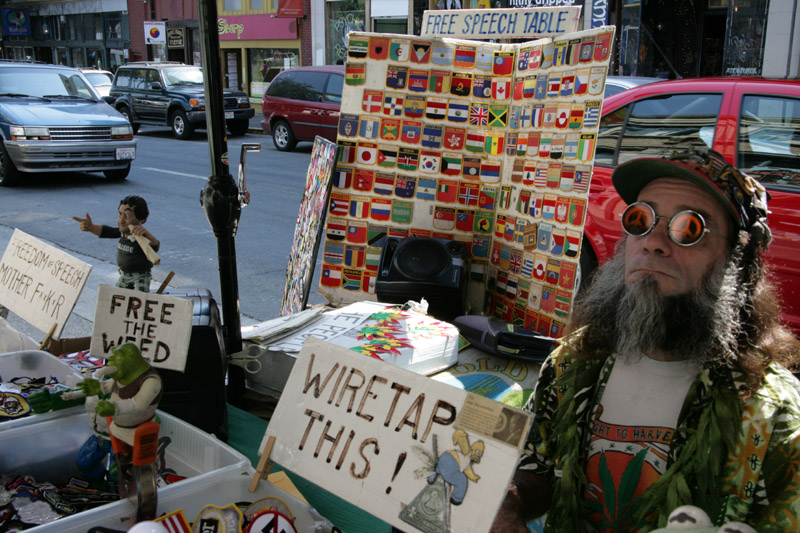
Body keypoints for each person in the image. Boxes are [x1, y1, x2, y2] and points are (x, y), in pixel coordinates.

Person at [491, 149, 800, 532]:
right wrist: (512, 504)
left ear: (735, 258)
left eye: (689, 228)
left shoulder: (774, 412)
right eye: (640, 219)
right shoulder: (572, 362)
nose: (653, 242)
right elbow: (539, 467)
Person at [73, 195, 160, 292]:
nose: (121, 220)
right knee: (116, 298)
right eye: (120, 215)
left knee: (139, 299)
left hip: (140, 276)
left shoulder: (141, 238)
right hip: (124, 275)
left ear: (141, 219)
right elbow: (107, 231)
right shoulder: (123, 233)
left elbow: (154, 246)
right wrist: (91, 227)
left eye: (127, 216)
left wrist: (146, 234)